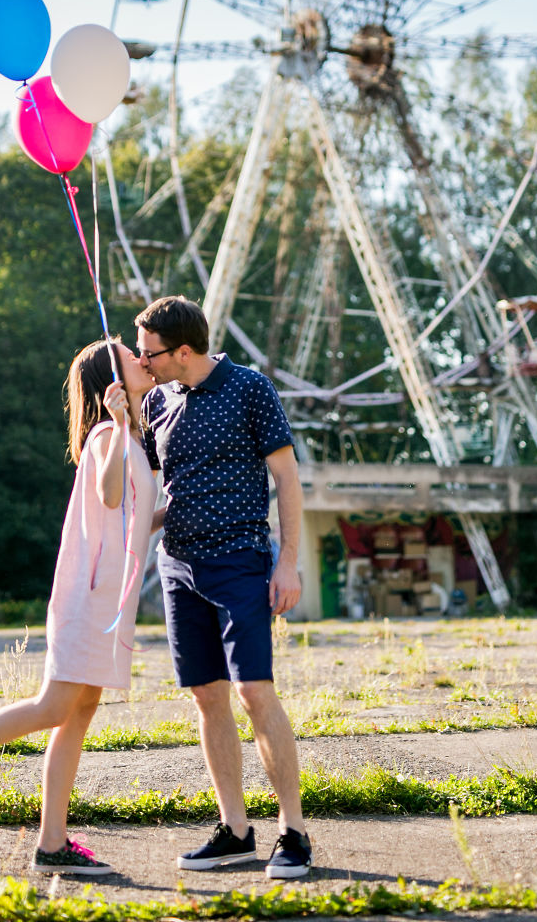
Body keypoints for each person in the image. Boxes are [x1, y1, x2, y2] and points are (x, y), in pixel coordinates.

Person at [0, 339, 158, 878]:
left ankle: (52, 844)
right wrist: (114, 423)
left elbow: (128, 518)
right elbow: (111, 495)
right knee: (52, 708)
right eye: (131, 356)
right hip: (90, 601)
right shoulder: (107, 436)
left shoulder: (130, 439)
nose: (143, 358)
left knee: (77, 713)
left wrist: (169, 514)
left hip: (110, 600)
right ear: (110, 381)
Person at [135, 295, 311, 880]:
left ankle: (294, 833)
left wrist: (288, 562)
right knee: (207, 697)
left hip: (240, 561)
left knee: (254, 692)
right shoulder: (157, 401)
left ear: (184, 351)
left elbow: (286, 475)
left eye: (150, 352)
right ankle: (235, 830)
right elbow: (167, 493)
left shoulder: (250, 388)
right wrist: (128, 533)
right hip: (179, 569)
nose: (141, 361)